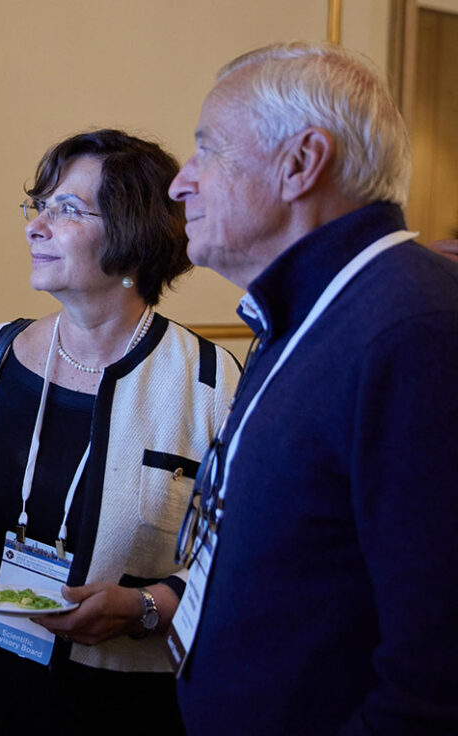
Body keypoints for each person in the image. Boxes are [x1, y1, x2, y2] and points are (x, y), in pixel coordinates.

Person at [167, 42, 458, 734]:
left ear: (300, 163)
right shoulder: (313, 308)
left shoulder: (413, 332)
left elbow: (436, 672)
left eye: (207, 150)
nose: (182, 182)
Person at [0, 129, 239, 734]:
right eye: (38, 206)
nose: (34, 226)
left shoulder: (208, 382)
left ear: (133, 235)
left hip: (124, 698)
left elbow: (236, 549)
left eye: (65, 209)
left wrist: (149, 608)